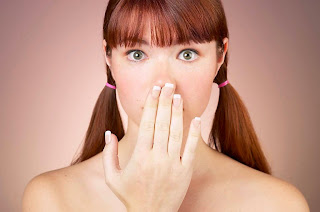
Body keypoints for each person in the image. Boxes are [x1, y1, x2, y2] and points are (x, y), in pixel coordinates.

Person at [22, 0, 310, 211]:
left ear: (220, 56)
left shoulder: (279, 204)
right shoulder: (52, 198)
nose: (162, 82)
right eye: (137, 54)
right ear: (108, 57)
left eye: (187, 53)